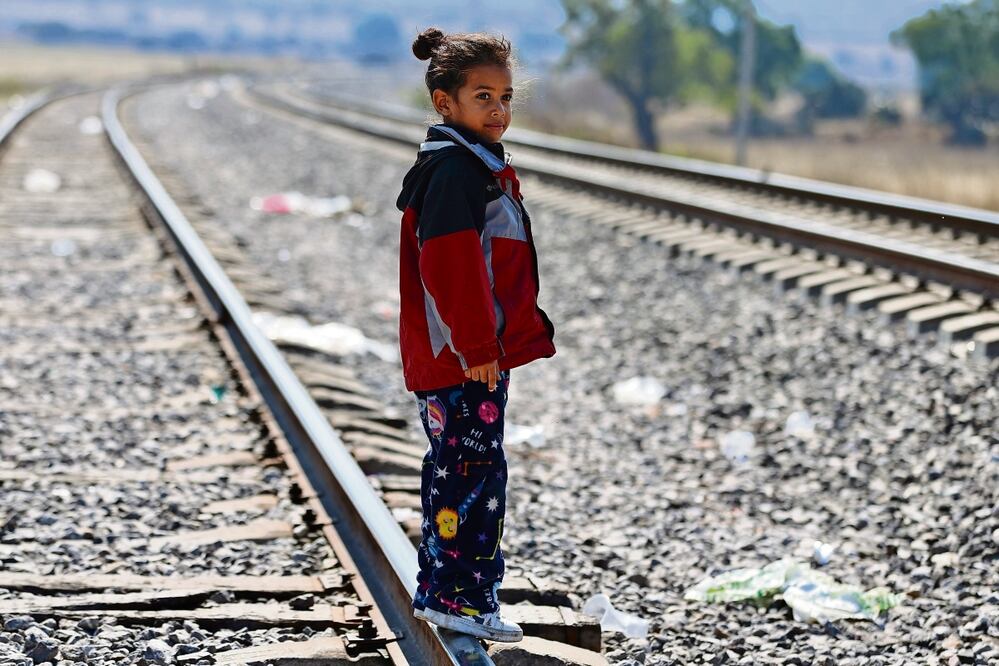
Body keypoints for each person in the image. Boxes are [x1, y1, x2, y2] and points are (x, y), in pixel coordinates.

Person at [395, 26, 557, 643]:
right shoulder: (459, 173)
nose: (499, 110)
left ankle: (445, 589)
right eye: (483, 96)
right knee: (473, 472)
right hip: (463, 359)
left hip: (457, 356)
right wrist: (480, 350)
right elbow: (452, 269)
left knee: (458, 467)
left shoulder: (463, 166)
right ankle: (460, 600)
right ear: (446, 103)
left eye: (506, 96)